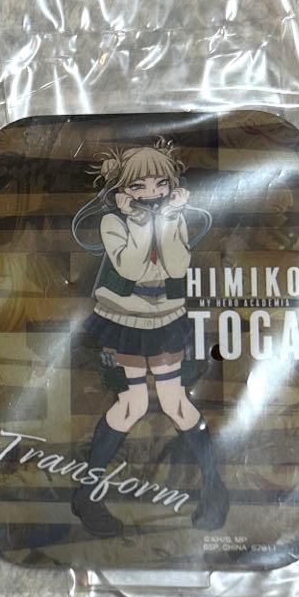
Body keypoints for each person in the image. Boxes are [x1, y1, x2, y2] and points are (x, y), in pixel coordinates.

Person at [71, 140, 229, 537]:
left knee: (176, 401)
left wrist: (170, 220)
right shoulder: (112, 223)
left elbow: (177, 266)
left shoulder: (174, 217)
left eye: (160, 183)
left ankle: (215, 488)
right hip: (125, 320)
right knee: (133, 403)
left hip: (165, 318)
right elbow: (130, 267)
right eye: (138, 186)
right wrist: (142, 222)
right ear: (122, 190)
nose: (151, 192)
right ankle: (87, 494)